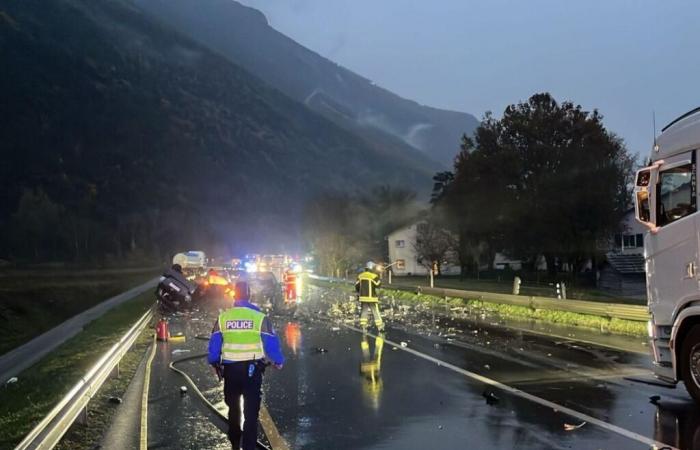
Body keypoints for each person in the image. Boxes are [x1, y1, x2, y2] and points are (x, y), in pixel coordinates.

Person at [208, 281, 285, 450]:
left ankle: (235, 442)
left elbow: (214, 345)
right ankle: (249, 446)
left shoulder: (223, 318)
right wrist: (278, 361)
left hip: (230, 371)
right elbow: (271, 344)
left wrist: (214, 362)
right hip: (252, 371)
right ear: (249, 296)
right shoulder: (260, 318)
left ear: (235, 296)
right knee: (251, 413)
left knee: (233, 407)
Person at [355, 262, 384, 331]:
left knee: (364, 311)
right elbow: (378, 285)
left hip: (363, 298)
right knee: (375, 311)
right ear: (372, 268)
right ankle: (380, 327)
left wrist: (360, 293)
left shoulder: (360, 276)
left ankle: (363, 326)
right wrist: (378, 277)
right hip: (371, 298)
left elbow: (356, 286)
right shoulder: (373, 276)